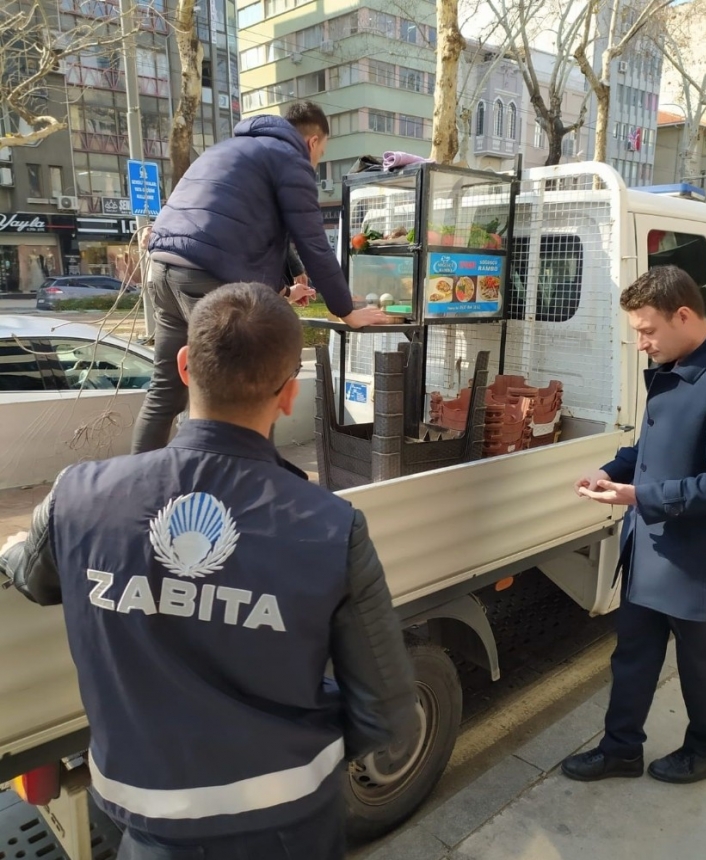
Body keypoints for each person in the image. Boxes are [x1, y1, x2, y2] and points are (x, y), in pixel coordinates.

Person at [0, 283, 417, 860]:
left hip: (142, 826)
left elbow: (31, 574)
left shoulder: (78, 497)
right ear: (290, 394)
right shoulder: (330, 527)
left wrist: (18, 542)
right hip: (289, 827)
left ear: (183, 366)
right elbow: (389, 717)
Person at [562, 265, 706, 785]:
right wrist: (611, 471)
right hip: (649, 547)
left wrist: (639, 496)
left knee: (701, 664)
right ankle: (621, 749)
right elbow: (650, 449)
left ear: (684, 316)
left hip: (698, 559)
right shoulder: (675, 365)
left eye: (647, 330)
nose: (640, 343)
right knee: (633, 653)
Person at [133, 101, 388, 454]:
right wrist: (346, 310)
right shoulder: (290, 158)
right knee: (250, 393)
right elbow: (313, 240)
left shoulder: (230, 149)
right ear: (313, 142)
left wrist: (284, 288)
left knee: (164, 393)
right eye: (321, 153)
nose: (314, 162)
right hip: (203, 276)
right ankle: (247, 499)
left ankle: (145, 494)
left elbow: (239, 234)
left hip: (163, 270)